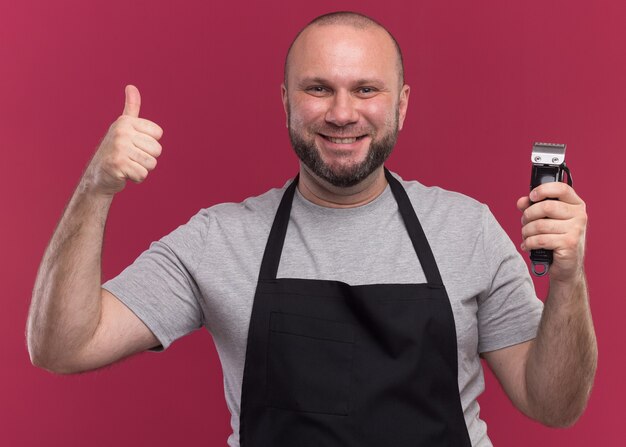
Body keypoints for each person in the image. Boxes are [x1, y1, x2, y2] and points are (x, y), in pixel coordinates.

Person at [27, 11, 596, 447]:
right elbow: (62, 347)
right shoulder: (219, 239)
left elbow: (555, 406)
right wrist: (95, 187)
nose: (342, 113)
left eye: (366, 90)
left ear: (401, 105)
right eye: (318, 88)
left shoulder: (467, 229)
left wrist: (568, 279)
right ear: (285, 103)